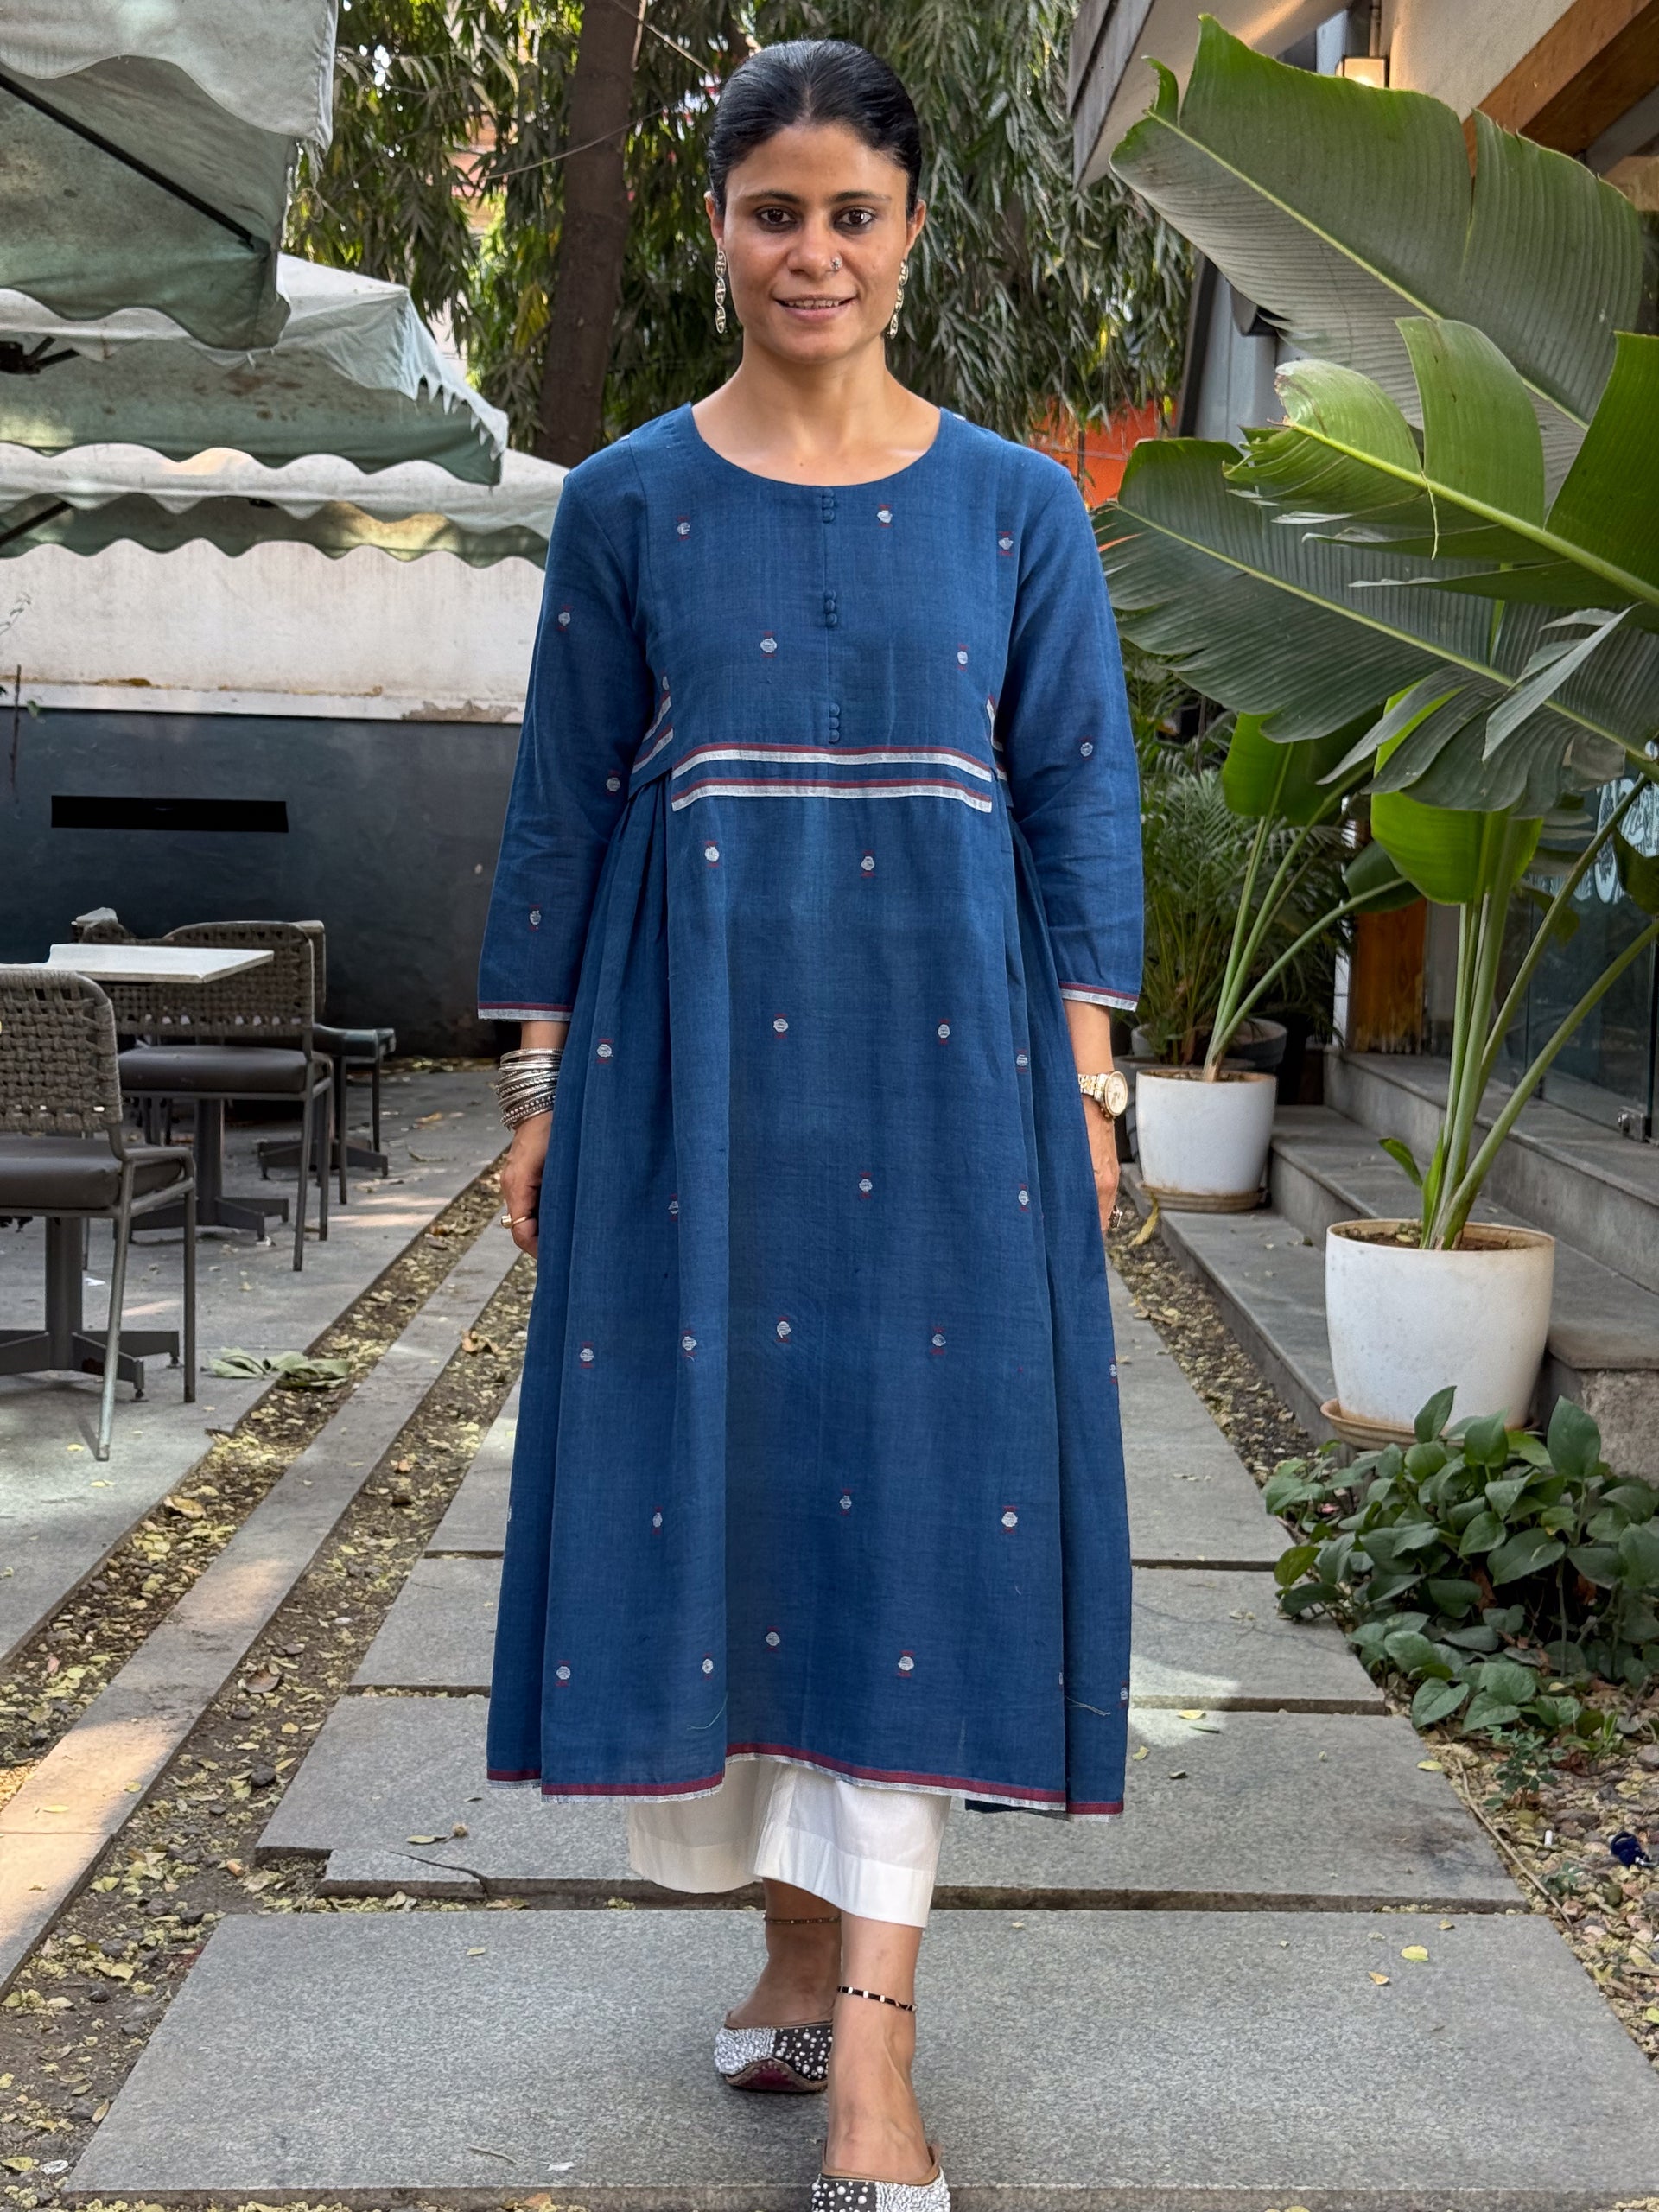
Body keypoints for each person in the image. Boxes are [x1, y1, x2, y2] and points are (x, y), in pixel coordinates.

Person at [477, 38, 1141, 2212]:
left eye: (855, 212)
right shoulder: (624, 502)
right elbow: (563, 804)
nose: (816, 251)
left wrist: (1094, 1082)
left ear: (914, 230)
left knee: (929, 1516)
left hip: (952, 1089)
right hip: (692, 1075)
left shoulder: (1018, 507)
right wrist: (536, 1090)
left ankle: (875, 2053)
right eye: (778, 211)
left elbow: (1078, 799)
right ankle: (785, 1945)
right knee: (739, 1503)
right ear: (719, 231)